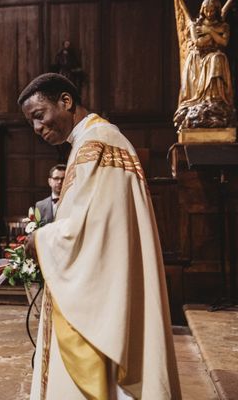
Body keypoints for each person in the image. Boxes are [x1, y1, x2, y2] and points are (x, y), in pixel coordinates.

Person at [17, 73, 180, 399]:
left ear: (66, 101)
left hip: (100, 293)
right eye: (31, 123)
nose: (37, 129)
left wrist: (41, 240)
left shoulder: (97, 144)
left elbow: (89, 233)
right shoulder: (98, 141)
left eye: (39, 116)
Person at [174, 0, 235, 129]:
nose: (209, 13)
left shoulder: (223, 26)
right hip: (199, 57)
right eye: (206, 10)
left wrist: (208, 31)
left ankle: (214, 98)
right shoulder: (195, 25)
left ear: (217, 11)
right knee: (213, 57)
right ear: (202, 10)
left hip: (213, 55)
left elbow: (223, 42)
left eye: (212, 11)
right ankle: (202, 98)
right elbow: (198, 43)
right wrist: (214, 34)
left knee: (218, 58)